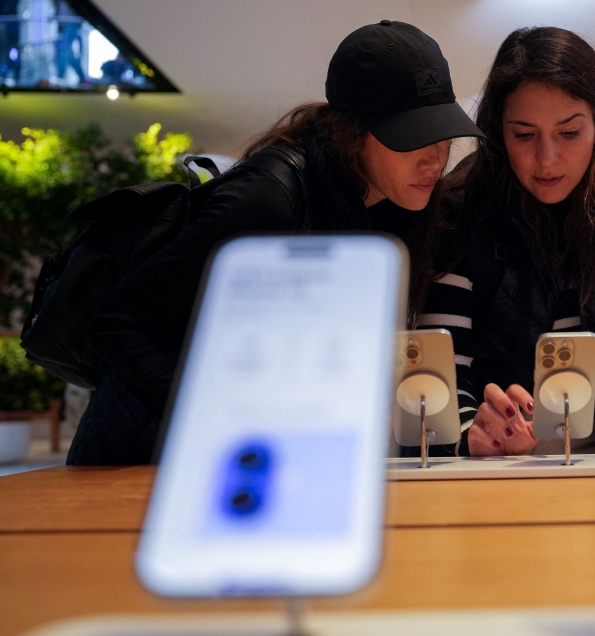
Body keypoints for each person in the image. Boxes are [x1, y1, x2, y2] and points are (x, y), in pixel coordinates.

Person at [68, 20, 483, 465]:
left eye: (440, 133)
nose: (433, 157)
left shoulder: (388, 213)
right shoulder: (270, 198)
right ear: (349, 132)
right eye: (411, 137)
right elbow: (118, 321)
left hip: (243, 464)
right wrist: (222, 417)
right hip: (138, 458)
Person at [414, 27, 595, 458]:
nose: (547, 159)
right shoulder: (462, 210)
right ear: (498, 130)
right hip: (496, 462)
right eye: (524, 135)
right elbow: (440, 363)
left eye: (569, 133)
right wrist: (472, 433)